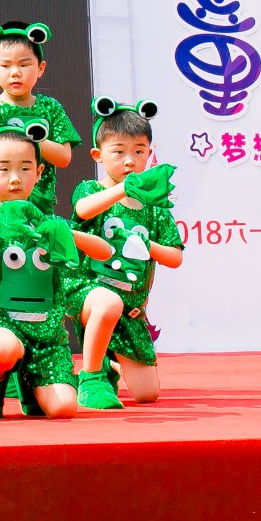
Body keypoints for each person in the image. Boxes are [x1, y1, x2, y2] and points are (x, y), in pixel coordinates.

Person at [0, 122, 110, 420]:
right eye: (3, 169)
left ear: (38, 173)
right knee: (4, 348)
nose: (15, 178)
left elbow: (104, 251)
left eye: (25, 168)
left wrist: (66, 233)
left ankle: (30, 383)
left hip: (46, 334)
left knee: (63, 408)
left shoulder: (49, 223)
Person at [68, 98, 184, 408]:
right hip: (88, 292)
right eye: (118, 152)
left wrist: (146, 244)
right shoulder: (91, 190)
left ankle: (108, 363)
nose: (129, 161)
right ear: (98, 154)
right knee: (108, 303)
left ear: (150, 153)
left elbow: (175, 256)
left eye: (139, 151)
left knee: (147, 394)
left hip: (131, 309)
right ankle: (91, 377)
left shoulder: (155, 207)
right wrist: (123, 189)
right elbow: (82, 210)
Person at [0, 22, 79, 215]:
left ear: (41, 68)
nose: (15, 73)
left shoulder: (50, 107)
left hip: (41, 209)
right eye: (5, 65)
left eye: (24, 65)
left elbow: (64, 157)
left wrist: (32, 139)